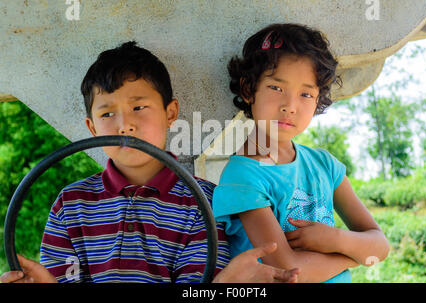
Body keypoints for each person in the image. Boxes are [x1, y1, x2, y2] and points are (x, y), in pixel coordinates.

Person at [0, 41, 299, 283]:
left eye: (138, 107)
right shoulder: (70, 204)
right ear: (92, 129)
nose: (124, 125)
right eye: (107, 114)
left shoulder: (205, 202)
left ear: (170, 114)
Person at [212, 23, 390, 283]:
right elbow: (290, 272)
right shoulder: (243, 177)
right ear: (249, 89)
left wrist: (335, 239)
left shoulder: (325, 165)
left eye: (306, 93)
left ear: (318, 100)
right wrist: (355, 254)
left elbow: (381, 245)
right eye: (276, 88)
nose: (290, 106)